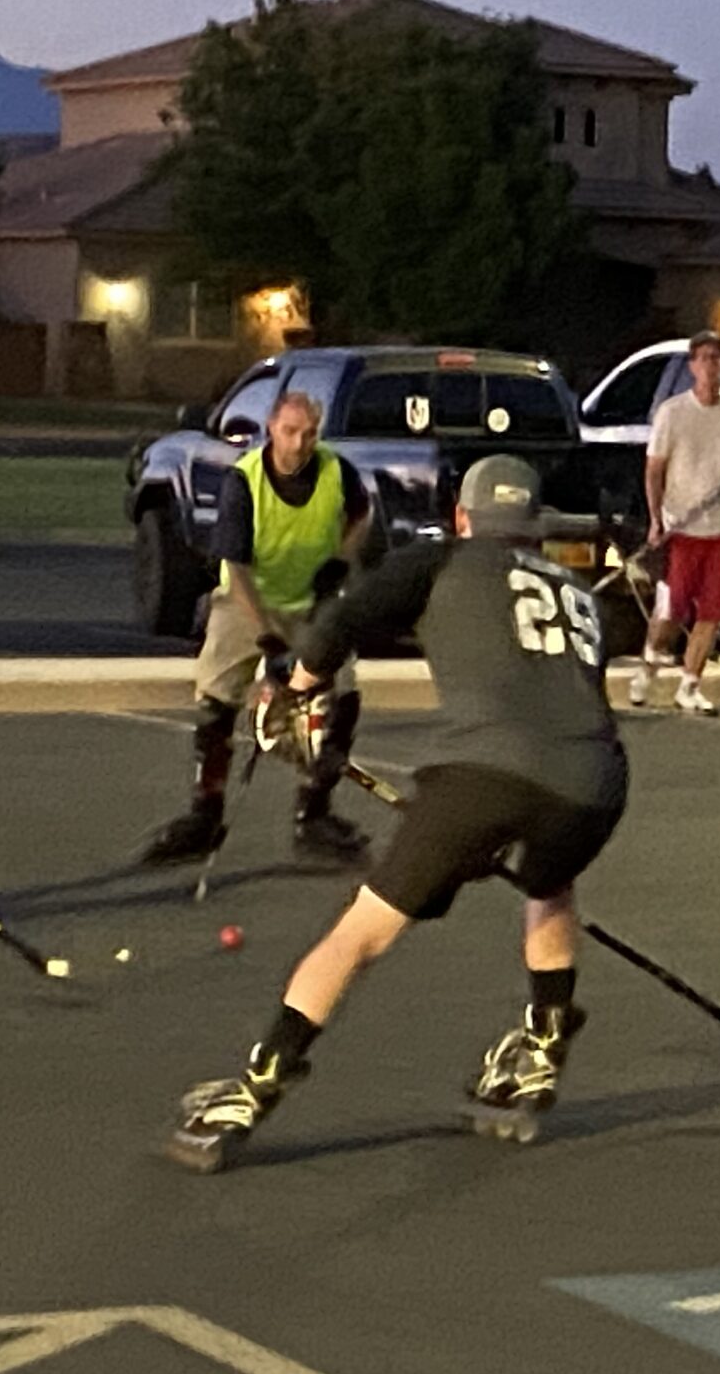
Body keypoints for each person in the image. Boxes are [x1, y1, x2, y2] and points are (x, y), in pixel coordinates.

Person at [166, 454, 630, 1172]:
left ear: (463, 517)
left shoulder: (442, 559)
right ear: (533, 529)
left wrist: (297, 692)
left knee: (361, 932)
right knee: (549, 886)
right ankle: (541, 1045)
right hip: (596, 782)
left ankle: (253, 1089)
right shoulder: (580, 592)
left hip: (483, 777)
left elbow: (340, 623)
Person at [141, 390, 372, 865]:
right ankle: (204, 815)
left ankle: (315, 815)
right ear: (271, 429)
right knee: (216, 701)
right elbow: (237, 567)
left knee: (342, 698)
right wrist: (268, 640)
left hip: (310, 601)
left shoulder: (336, 471)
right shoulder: (243, 482)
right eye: (290, 432)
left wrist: (341, 561)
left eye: (310, 433)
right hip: (248, 601)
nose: (300, 444)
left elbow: (362, 515)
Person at [632, 332, 720, 716]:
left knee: (712, 613)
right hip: (681, 528)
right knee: (671, 612)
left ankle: (690, 685)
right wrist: (656, 519)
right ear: (692, 366)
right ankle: (649, 663)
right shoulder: (673, 413)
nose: (711, 366)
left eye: (717, 358)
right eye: (703, 358)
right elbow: (654, 470)